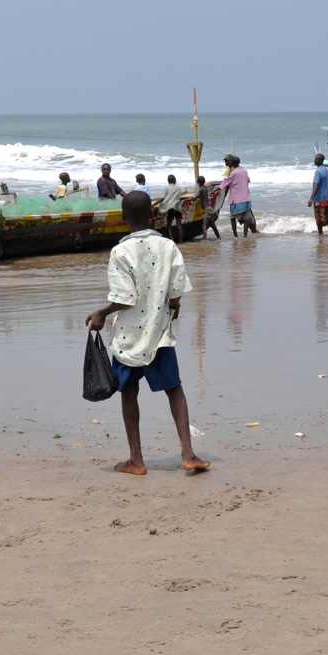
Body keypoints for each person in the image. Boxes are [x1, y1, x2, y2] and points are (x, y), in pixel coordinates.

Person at [86, 191, 209, 476]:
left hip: (129, 338)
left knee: (129, 392)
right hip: (160, 334)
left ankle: (136, 460)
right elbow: (177, 292)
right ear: (153, 216)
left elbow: (124, 297)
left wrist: (101, 313)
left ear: (123, 218)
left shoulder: (120, 252)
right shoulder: (168, 246)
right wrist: (172, 307)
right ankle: (188, 454)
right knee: (174, 390)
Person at [307, 153, 328, 235]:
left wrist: (311, 198)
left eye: (316, 159)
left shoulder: (318, 171)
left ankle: (321, 236)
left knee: (319, 219)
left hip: (320, 199)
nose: (315, 160)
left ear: (320, 160)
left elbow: (316, 185)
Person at [160, 174, 184, 242]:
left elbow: (164, 198)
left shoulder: (166, 188)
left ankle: (172, 240)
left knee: (169, 225)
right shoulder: (178, 188)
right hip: (177, 207)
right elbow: (179, 197)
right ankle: (181, 240)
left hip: (170, 208)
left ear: (168, 181)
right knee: (179, 224)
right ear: (174, 180)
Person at [195, 175, 220, 240]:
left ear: (198, 182)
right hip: (210, 209)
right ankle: (219, 238)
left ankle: (204, 239)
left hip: (207, 210)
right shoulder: (205, 188)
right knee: (213, 225)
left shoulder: (200, 189)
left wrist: (189, 198)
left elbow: (195, 197)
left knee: (204, 225)